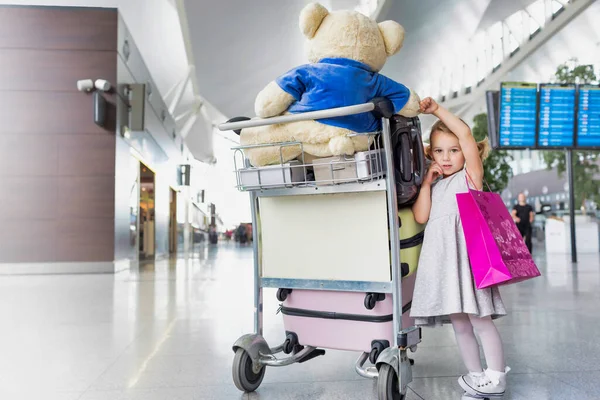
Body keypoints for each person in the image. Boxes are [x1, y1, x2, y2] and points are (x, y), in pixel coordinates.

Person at [410, 97, 509, 399]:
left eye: (454, 151)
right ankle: (476, 377)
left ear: (467, 154)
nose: (447, 157)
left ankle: (496, 375)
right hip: (445, 266)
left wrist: (437, 110)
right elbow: (420, 216)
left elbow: (465, 135)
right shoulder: (438, 186)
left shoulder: (470, 179)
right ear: (430, 154)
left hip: (469, 264)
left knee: (480, 320)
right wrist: (426, 184)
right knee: (460, 324)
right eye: (439, 151)